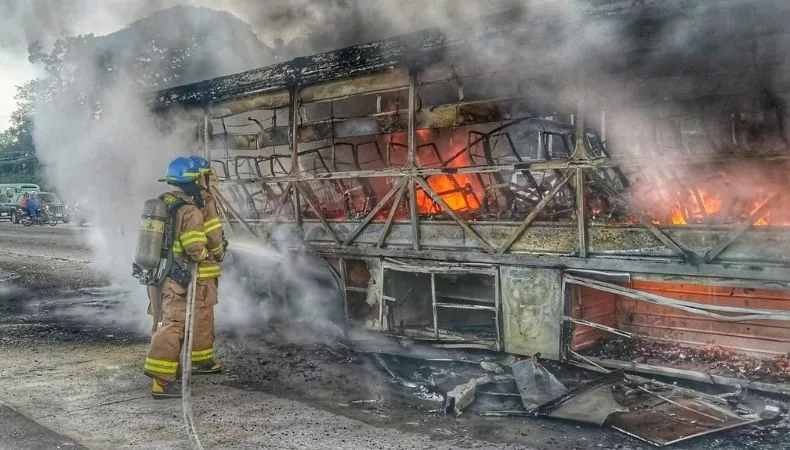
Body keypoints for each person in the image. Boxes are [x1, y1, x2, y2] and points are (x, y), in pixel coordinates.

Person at [143, 156, 216, 399]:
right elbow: (194, 248)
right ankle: (160, 382)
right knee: (174, 325)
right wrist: (209, 255)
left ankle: (168, 373)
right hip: (177, 281)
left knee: (165, 321)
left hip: (160, 276)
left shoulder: (165, 202)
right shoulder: (189, 211)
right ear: (195, 180)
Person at [186, 155, 226, 374]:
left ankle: (177, 361)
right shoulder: (202, 199)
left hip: (175, 273)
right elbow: (213, 235)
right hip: (199, 272)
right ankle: (202, 362)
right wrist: (219, 252)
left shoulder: (173, 199)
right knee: (201, 317)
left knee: (177, 317)